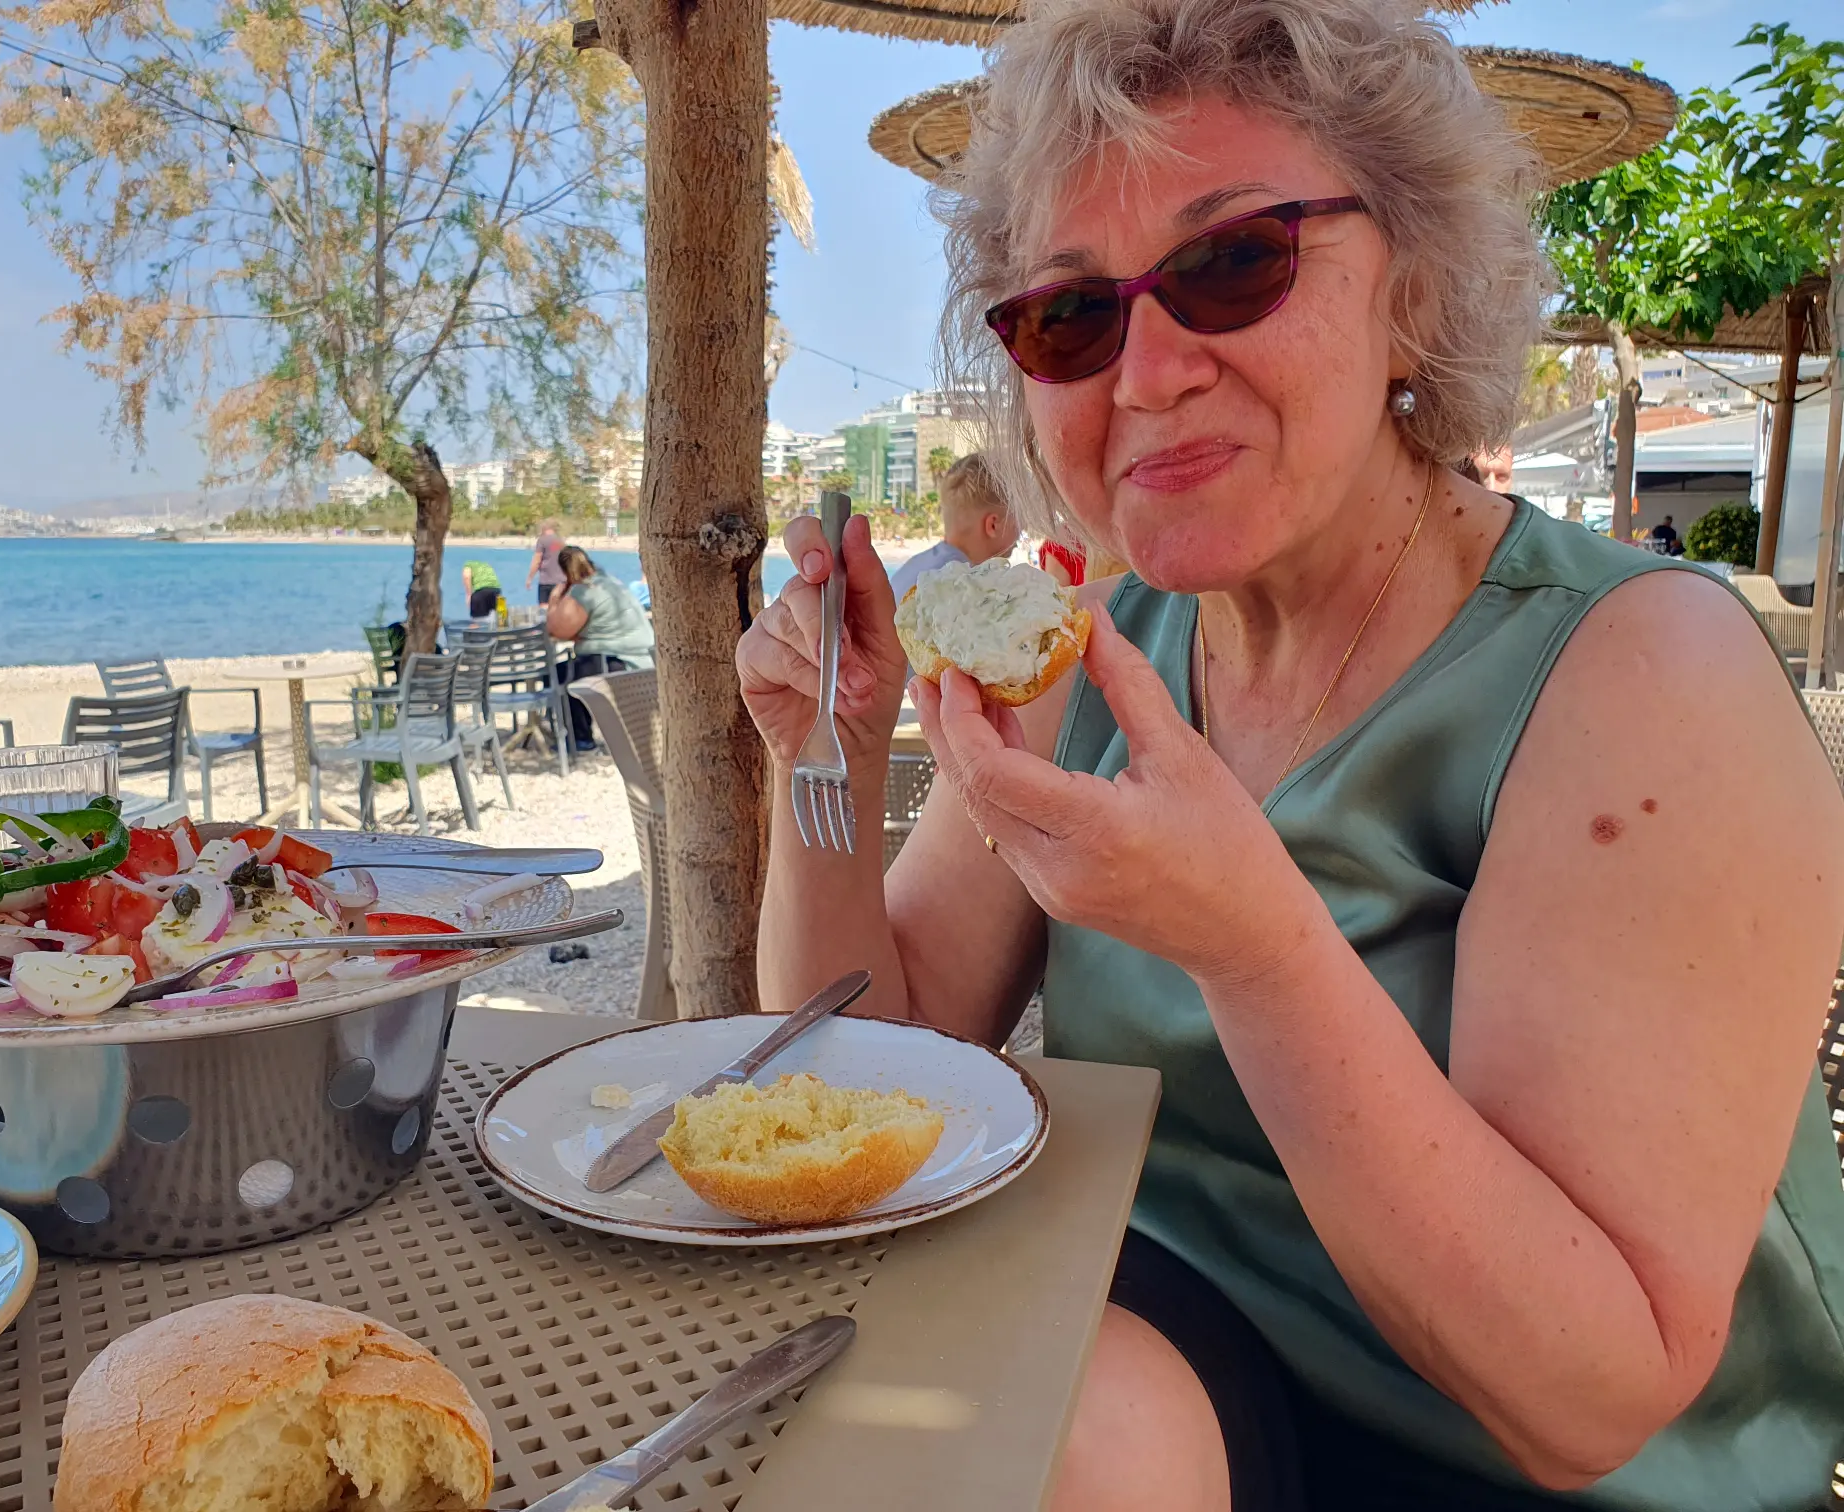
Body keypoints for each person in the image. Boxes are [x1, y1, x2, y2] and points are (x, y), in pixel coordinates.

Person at [735, 1, 1844, 1509]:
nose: (1147, 373)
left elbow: (1588, 1399)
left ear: (1414, 290)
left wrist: (1253, 946)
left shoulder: (1643, 672)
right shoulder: (1098, 646)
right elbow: (869, 1067)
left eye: (1233, 263)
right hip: (1175, 1361)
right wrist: (832, 754)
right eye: (1071, 315)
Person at [545, 545, 654, 752]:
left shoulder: (585, 590)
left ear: (565, 570)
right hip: (643, 656)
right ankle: (576, 733)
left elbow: (556, 629)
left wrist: (555, 599)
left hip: (618, 659)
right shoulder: (609, 581)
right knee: (571, 668)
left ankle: (580, 737)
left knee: (560, 674)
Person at [887, 454, 1021, 605]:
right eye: (1019, 520)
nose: (1021, 531)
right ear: (993, 525)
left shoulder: (916, 567)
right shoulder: (966, 589)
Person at [526, 518, 567, 606]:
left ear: (544, 528)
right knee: (558, 608)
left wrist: (529, 578)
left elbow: (537, 560)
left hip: (546, 581)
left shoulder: (542, 540)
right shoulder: (561, 541)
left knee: (544, 610)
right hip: (561, 582)